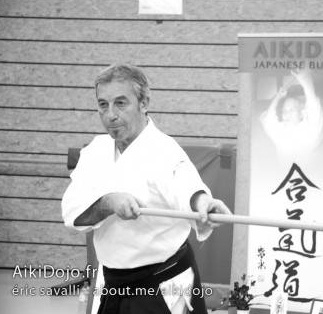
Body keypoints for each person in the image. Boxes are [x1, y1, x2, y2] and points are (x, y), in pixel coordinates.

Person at [61, 63, 232, 314]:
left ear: (144, 103)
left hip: (162, 284)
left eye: (121, 103)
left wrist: (203, 203)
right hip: (112, 283)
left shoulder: (163, 149)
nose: (110, 115)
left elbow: (184, 184)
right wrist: (110, 202)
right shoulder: (95, 151)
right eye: (103, 104)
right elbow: (72, 211)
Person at [259, 69, 323, 164]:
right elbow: (267, 120)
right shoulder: (280, 132)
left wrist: (307, 83)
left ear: (302, 113)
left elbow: (314, 112)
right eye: (284, 111)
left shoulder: (308, 132)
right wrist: (277, 97)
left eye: (292, 110)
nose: (287, 114)